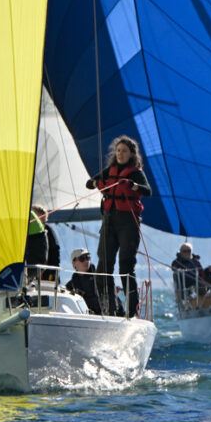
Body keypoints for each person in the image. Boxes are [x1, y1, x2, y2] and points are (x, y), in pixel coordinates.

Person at [85, 135, 152, 317]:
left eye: (125, 151)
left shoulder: (136, 172)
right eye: (119, 150)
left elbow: (148, 191)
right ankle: (108, 308)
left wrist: (134, 185)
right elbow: (89, 183)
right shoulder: (110, 170)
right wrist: (94, 183)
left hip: (128, 223)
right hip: (109, 221)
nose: (121, 154)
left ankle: (131, 311)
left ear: (131, 154)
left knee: (125, 266)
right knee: (104, 266)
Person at [64, 248, 106, 314]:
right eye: (82, 259)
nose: (86, 261)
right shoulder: (72, 283)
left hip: (101, 315)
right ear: (73, 263)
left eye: (88, 258)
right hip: (83, 315)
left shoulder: (100, 277)